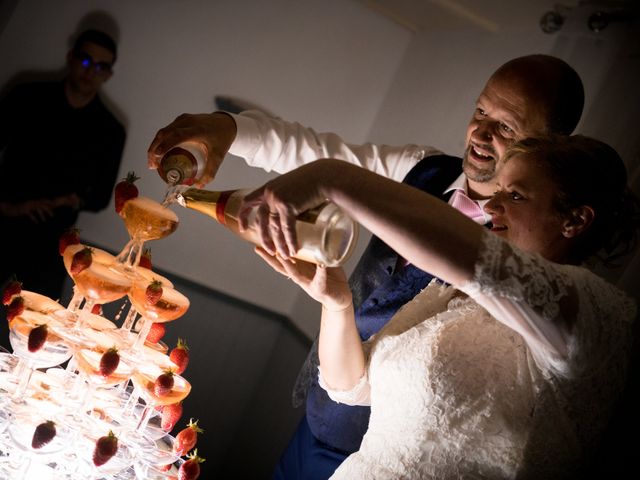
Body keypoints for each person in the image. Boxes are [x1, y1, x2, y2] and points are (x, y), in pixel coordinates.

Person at [147, 54, 584, 476]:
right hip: (318, 417)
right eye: (480, 111)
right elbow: (314, 153)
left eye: (505, 126)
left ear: (545, 145)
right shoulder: (423, 168)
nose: (480, 132)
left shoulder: (527, 262)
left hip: (381, 455)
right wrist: (230, 128)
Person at [242, 134, 639, 478]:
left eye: (515, 195)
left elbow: (477, 259)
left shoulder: (593, 315)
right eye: (497, 191)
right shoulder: (450, 295)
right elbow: (352, 387)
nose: (492, 207)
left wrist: (330, 177)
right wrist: (338, 303)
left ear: (575, 220)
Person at [0, 28, 126, 316]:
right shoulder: (27, 96)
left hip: (51, 243)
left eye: (100, 66)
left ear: (108, 74)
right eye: (85, 61)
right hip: (3, 219)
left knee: (34, 323)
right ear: (70, 58)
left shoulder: (110, 131)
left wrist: (69, 200)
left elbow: (101, 197)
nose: (90, 72)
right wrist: (9, 205)